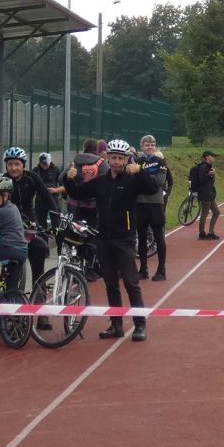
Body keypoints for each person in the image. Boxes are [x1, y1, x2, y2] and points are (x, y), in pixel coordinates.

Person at [66, 138, 155, 340]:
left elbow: (152, 189)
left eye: (120, 159)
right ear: (107, 158)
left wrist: (140, 171)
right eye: (113, 158)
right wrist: (69, 179)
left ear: (125, 160)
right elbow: (77, 193)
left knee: (131, 283)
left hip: (124, 239)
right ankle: (116, 325)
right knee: (111, 284)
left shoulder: (132, 179)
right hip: (103, 239)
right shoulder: (101, 181)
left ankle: (140, 325)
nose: (116, 162)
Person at [0, 146, 59, 296]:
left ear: (23, 165)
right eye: (10, 164)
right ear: (6, 165)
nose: (13, 168)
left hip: (30, 221)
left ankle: (39, 293)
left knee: (40, 248)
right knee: (11, 266)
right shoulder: (2, 180)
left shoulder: (32, 177)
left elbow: (48, 199)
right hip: (10, 225)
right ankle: (10, 295)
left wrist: (56, 223)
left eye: (17, 164)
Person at [133, 134, 172, 280]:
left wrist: (142, 177)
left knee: (158, 237)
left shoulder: (160, 161)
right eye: (147, 145)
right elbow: (134, 182)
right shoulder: (137, 161)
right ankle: (143, 269)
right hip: (140, 203)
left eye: (152, 145)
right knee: (141, 237)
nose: (150, 147)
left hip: (156, 203)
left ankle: (161, 270)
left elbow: (160, 181)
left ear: (155, 147)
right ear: (142, 146)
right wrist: (149, 180)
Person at [189, 149, 220, 239]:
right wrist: (210, 174)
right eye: (212, 156)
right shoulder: (203, 167)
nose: (214, 158)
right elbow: (201, 180)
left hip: (209, 193)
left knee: (216, 212)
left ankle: (211, 232)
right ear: (207, 157)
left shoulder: (208, 166)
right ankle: (202, 233)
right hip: (205, 193)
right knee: (204, 213)